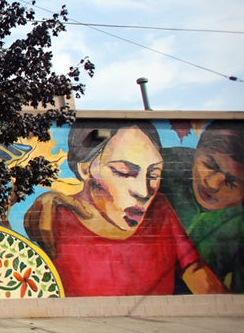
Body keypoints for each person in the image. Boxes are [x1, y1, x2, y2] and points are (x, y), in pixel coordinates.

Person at [23, 121, 226, 297]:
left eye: (154, 175)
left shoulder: (160, 210)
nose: (144, 191)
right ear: (86, 169)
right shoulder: (53, 218)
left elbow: (195, 270)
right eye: (124, 172)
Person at [162, 121, 244, 292]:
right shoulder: (160, 167)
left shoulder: (238, 225)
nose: (213, 184)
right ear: (197, 151)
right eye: (209, 165)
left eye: (232, 181)